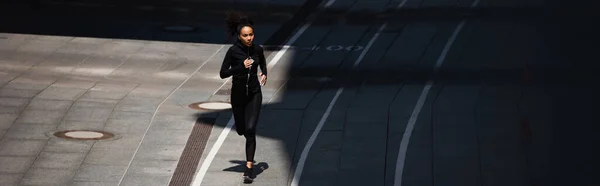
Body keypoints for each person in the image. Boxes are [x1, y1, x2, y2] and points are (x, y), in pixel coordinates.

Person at [220, 11, 267, 184]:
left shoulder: (257, 49)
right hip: (238, 97)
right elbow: (223, 73)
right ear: (239, 36)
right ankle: (243, 134)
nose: (249, 38)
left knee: (250, 130)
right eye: (245, 36)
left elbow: (262, 61)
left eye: (251, 35)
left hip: (254, 94)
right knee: (241, 129)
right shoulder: (233, 52)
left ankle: (249, 168)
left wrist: (264, 73)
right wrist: (240, 66)